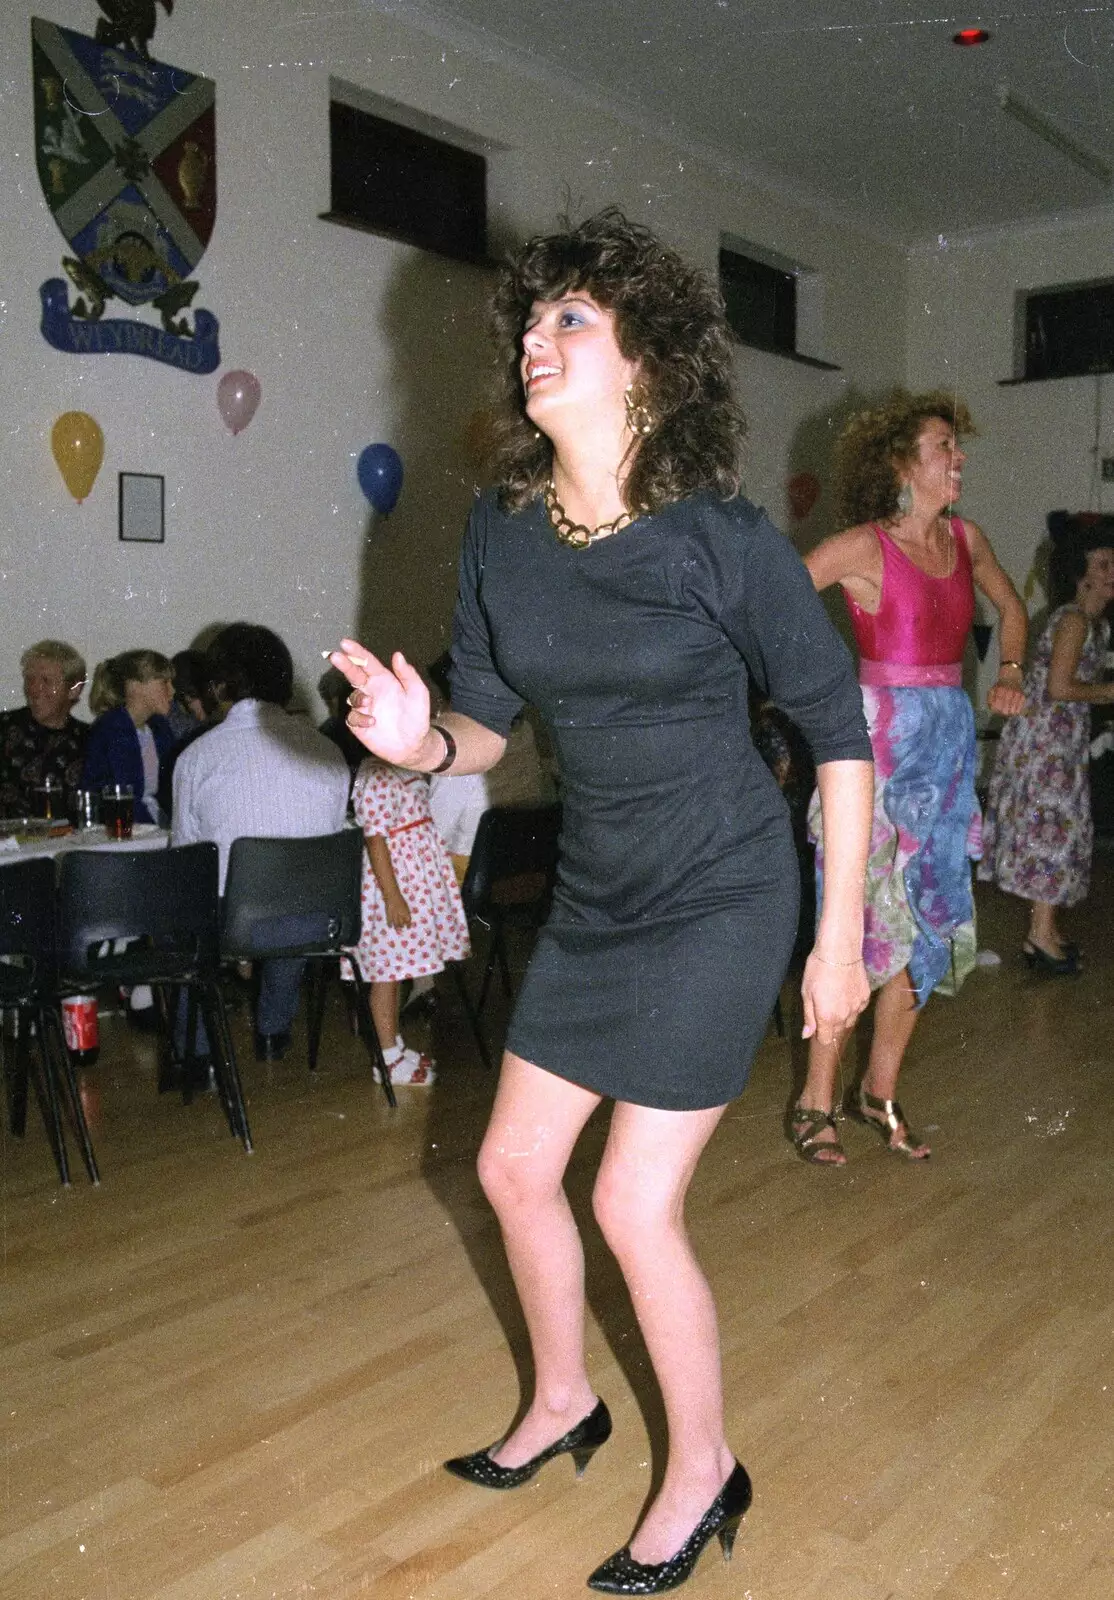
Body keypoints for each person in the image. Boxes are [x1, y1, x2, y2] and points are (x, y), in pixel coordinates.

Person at [331, 209, 873, 1594]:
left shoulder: (721, 537)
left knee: (634, 1207)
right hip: (597, 897)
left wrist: (836, 943)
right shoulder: (505, 533)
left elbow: (835, 728)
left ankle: (701, 1471)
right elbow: (489, 726)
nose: (535, 336)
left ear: (649, 363)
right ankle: (566, 1400)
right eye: (532, 319)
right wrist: (417, 739)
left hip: (722, 891)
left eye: (572, 318)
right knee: (514, 1171)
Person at [794, 391, 1028, 1166]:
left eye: (958, 448)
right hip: (876, 756)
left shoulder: (967, 538)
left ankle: (879, 1091)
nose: (957, 459)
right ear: (901, 464)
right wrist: (809, 691)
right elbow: (780, 604)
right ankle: (816, 1098)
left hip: (948, 752)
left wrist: (1014, 669)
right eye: (941, 446)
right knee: (857, 923)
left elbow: (1012, 609)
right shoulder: (864, 547)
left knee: (931, 923)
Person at [171, 623, 350, 1063]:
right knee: (293, 896)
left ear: (218, 684)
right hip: (322, 921)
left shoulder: (198, 757)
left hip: (236, 925)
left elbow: (185, 858)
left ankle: (196, 1056)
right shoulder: (327, 750)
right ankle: (273, 1030)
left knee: (182, 916)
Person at [978, 530, 1114, 973]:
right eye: (1102, 566)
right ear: (1082, 577)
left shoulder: (1094, 624)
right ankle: (1040, 936)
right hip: (1045, 744)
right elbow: (1059, 687)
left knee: (1058, 832)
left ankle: (1046, 932)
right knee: (1050, 833)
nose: (1112, 574)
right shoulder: (1074, 620)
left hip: (1058, 740)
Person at [347, 756, 470, 1084]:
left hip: (412, 881)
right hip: (394, 886)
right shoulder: (376, 774)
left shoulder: (404, 769)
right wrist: (392, 896)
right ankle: (386, 1059)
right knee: (386, 974)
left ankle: (394, 1046)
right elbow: (375, 839)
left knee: (398, 969)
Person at [83, 649, 176, 824]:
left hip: (155, 824)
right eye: (164, 682)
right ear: (136, 686)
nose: (172, 690)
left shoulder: (159, 729)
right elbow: (124, 799)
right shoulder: (112, 730)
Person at [0, 640, 88, 816]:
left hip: (70, 842)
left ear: (73, 690)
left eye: (46, 681)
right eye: (30, 679)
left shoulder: (89, 739)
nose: (34, 689)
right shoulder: (5, 728)